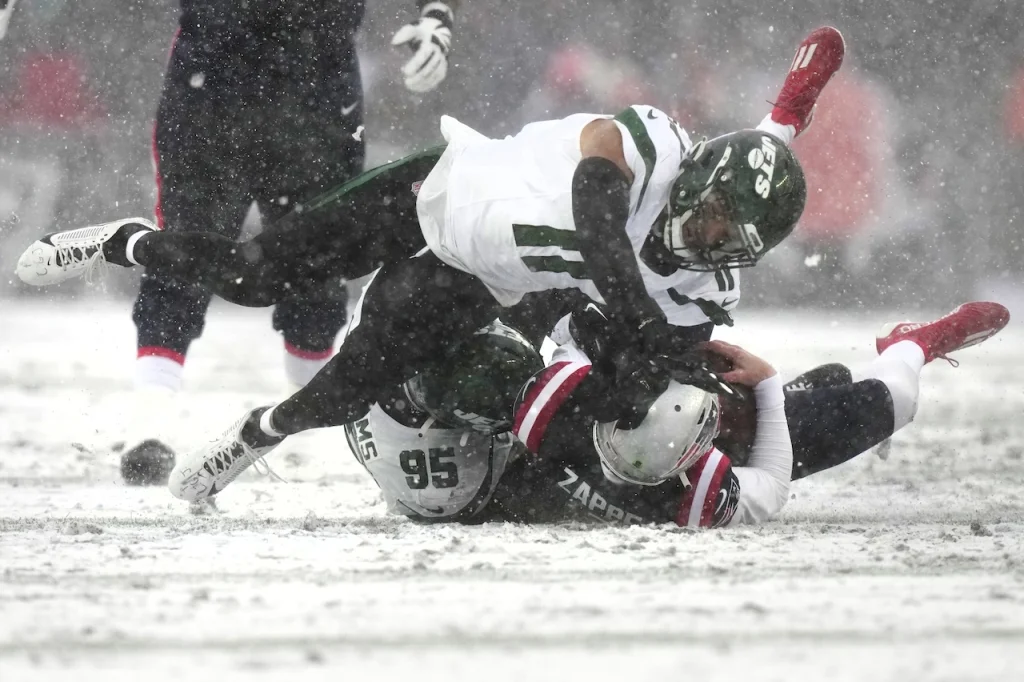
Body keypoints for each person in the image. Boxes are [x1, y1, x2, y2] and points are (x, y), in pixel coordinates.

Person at [17, 27, 846, 500]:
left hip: (476, 274)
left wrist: (654, 382)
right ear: (694, 176)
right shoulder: (659, 144)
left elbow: (657, 329)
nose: (705, 244)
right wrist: (632, 304)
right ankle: (123, 240)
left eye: (727, 244)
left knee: (350, 384)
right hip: (435, 191)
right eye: (704, 221)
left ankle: (254, 434)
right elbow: (597, 195)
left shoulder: (703, 276)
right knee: (251, 276)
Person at [50, 0, 461, 482]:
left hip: (315, 74)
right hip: (216, 70)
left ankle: (317, 419)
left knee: (321, 258)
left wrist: (438, 16)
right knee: (186, 245)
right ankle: (151, 418)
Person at [321, 300, 1009, 527]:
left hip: (683, 400)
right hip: (656, 384)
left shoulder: (683, 482)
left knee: (895, 401)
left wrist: (763, 395)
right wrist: (765, 389)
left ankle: (911, 346)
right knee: (865, 401)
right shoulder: (555, 412)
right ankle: (889, 356)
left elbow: (764, 492)